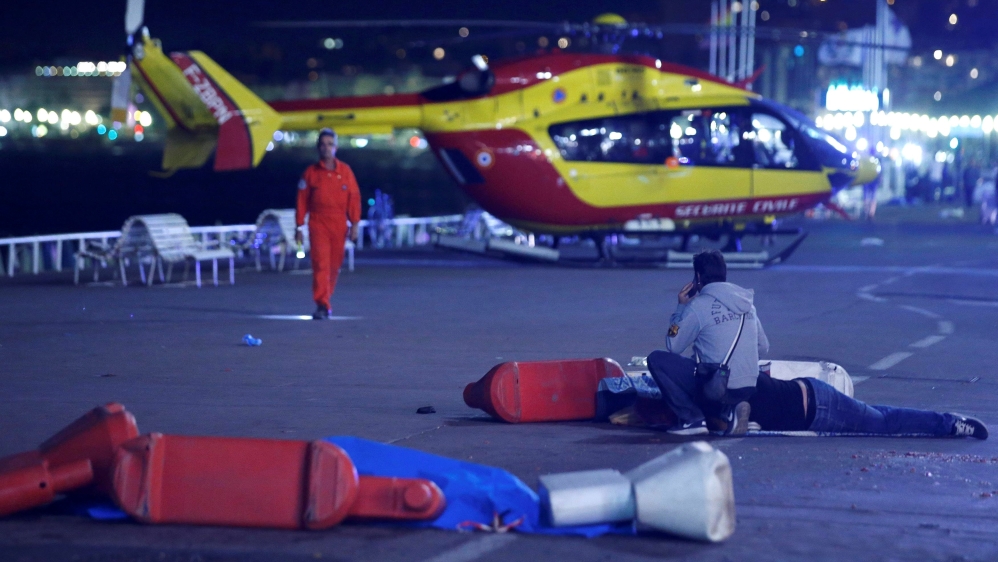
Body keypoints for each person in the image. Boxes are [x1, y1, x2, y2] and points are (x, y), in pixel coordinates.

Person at [647, 249, 769, 436]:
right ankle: (728, 412)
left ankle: (691, 419)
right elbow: (763, 348)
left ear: (697, 277)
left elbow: (673, 345)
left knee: (657, 360)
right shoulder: (748, 305)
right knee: (709, 367)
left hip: (718, 387)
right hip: (748, 387)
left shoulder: (699, 306)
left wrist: (681, 308)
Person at [747, 370, 988, 439]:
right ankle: (947, 423)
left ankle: (950, 423)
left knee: (883, 423)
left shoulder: (722, 388)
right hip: (814, 400)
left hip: (820, 408)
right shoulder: (733, 371)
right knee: (879, 417)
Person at [296, 128, 361, 320]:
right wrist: (299, 226)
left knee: (334, 265)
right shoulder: (310, 173)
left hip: (339, 222)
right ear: (318, 148)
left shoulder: (346, 172)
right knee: (321, 264)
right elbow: (301, 200)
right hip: (318, 222)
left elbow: (354, 198)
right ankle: (322, 303)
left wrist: (355, 224)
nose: (326, 148)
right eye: (323, 145)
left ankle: (326, 298)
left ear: (336, 148)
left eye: (330, 144)